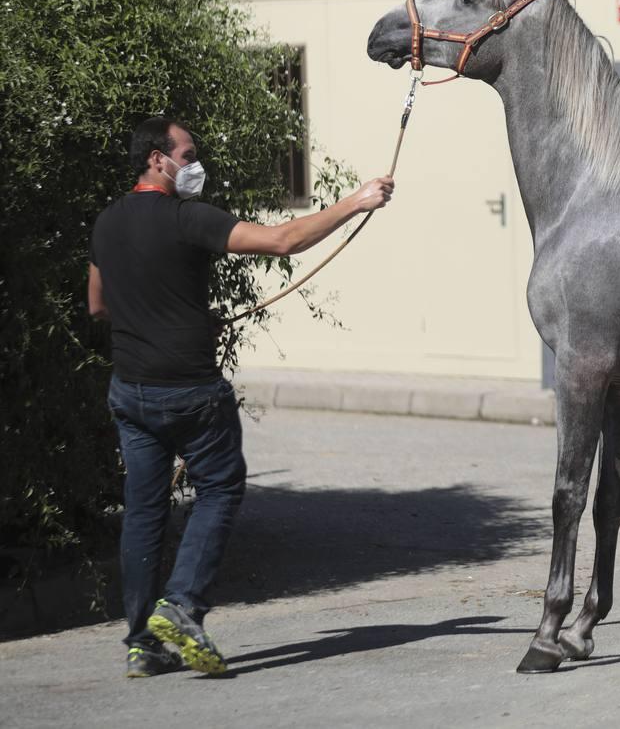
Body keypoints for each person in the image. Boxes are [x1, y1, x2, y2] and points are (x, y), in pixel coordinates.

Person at [89, 117, 394, 678]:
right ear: (159, 159)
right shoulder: (187, 219)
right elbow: (282, 240)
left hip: (130, 392)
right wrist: (356, 201)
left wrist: (165, 314)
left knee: (144, 512)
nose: (194, 163)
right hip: (190, 392)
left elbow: (98, 306)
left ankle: (141, 644)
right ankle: (180, 607)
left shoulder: (106, 223)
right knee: (220, 491)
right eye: (188, 153)